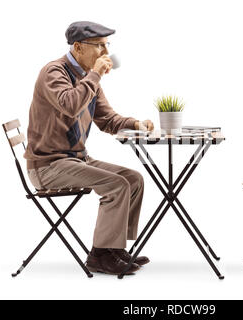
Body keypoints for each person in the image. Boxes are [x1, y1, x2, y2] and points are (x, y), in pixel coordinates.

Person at [23, 21, 154, 276]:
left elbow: (107, 120)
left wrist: (137, 123)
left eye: (108, 46)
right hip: (48, 165)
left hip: (76, 160)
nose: (106, 53)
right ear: (78, 47)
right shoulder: (54, 72)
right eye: (100, 46)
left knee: (133, 179)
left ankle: (114, 250)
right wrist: (94, 75)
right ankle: (99, 255)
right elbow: (70, 104)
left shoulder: (88, 78)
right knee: (117, 185)